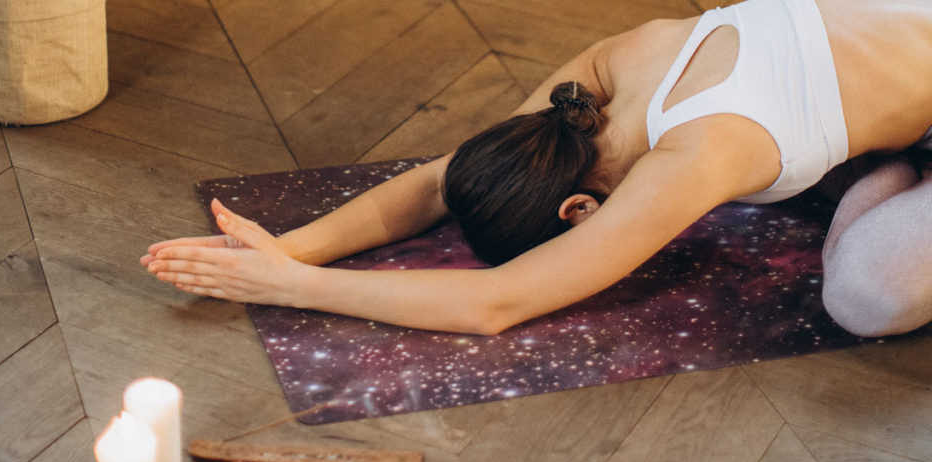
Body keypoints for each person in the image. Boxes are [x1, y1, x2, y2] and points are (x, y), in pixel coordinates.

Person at [142, 0, 932, 337]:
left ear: (579, 213)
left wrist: (298, 286)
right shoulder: (601, 77)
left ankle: (894, 168)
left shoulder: (702, 151)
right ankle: (884, 155)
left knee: (866, 296)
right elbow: (438, 181)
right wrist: (291, 246)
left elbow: (497, 303)